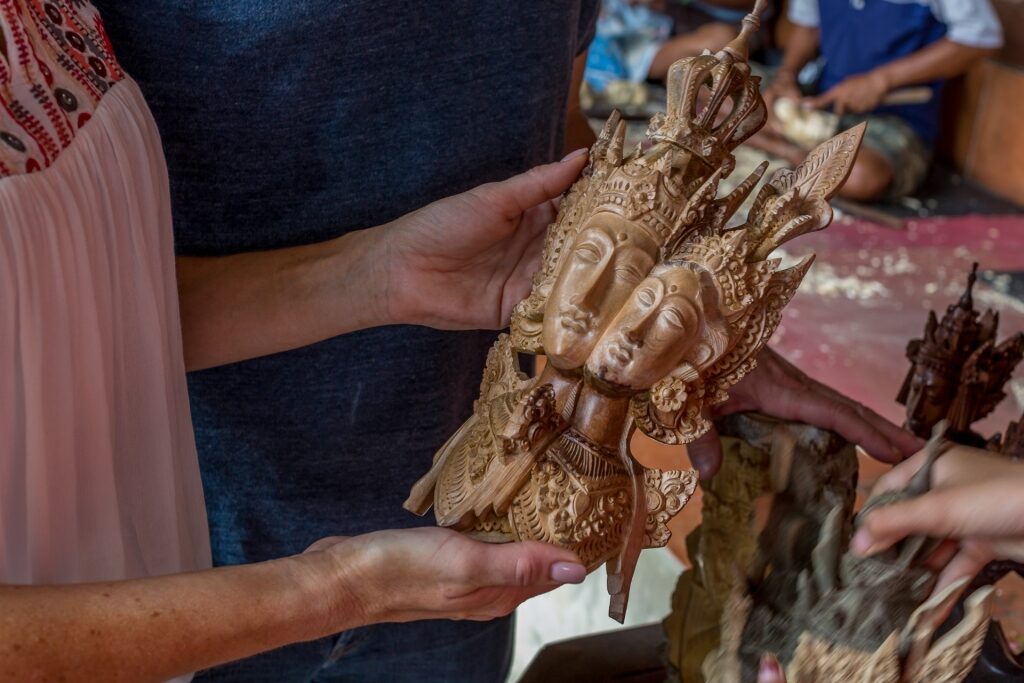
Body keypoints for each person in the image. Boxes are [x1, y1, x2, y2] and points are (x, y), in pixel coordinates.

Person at [760, 0, 1003, 202]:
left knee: (859, 176)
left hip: (895, 119)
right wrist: (786, 77)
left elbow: (981, 37)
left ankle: (784, 150)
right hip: (820, 101)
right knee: (738, 92)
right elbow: (808, 26)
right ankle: (805, 156)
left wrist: (879, 81)